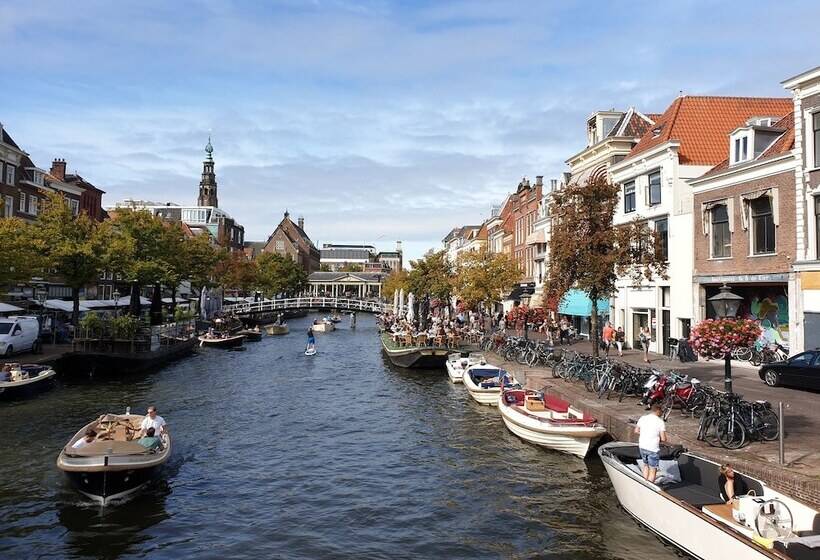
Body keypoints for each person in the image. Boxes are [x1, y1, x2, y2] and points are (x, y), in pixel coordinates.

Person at [634, 404, 667, 483]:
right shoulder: (660, 422)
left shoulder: (643, 418)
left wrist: (645, 434)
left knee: (646, 465)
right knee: (653, 469)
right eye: (662, 411)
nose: (662, 413)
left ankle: (644, 482)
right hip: (652, 448)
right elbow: (663, 439)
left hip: (642, 446)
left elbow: (636, 431)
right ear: (658, 411)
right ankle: (649, 486)